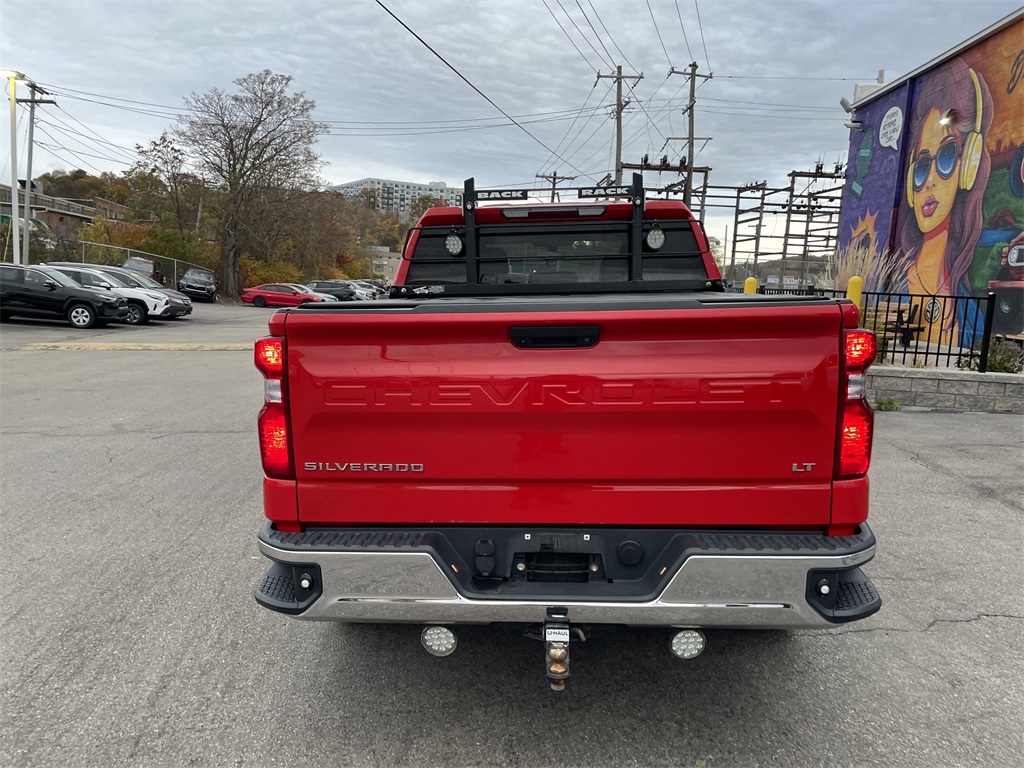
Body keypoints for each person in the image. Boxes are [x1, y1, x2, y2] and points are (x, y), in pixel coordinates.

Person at [896, 58, 991, 348]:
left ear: (969, 166)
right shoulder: (898, 288)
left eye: (947, 156)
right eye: (923, 165)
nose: (930, 182)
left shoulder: (968, 309)